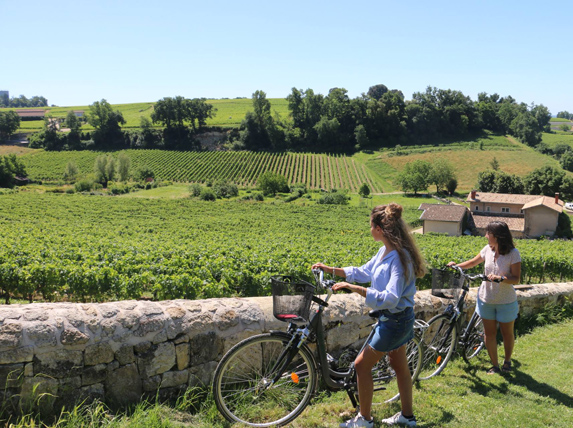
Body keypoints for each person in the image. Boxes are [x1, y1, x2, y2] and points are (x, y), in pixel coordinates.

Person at [313, 203, 426, 428]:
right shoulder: (386, 250)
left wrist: (356, 289)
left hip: (394, 321)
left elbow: (391, 297)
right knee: (401, 367)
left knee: (361, 366)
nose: (369, 229)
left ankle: (364, 420)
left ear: (380, 229)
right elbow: (364, 271)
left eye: (371, 225)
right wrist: (330, 269)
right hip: (398, 318)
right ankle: (408, 417)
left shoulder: (398, 259)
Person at [447, 221, 521, 374]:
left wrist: (501, 278)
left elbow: (516, 279)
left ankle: (507, 361)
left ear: (498, 236)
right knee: (489, 334)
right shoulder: (487, 249)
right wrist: (457, 265)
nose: (486, 236)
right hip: (486, 299)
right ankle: (495, 365)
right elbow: (473, 262)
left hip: (505, 301)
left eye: (489, 233)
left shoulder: (513, 254)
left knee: (507, 334)